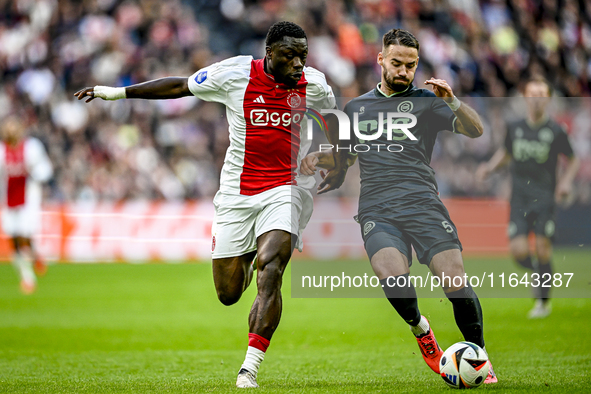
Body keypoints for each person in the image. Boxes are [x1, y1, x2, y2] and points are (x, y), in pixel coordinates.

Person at [75, 21, 336, 388]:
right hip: (236, 194)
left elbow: (334, 118)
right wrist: (117, 94)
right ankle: (251, 257)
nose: (297, 64)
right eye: (289, 56)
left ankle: (249, 368)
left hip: (285, 188)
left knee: (271, 269)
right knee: (228, 294)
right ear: (269, 53)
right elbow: (181, 85)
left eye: (302, 56)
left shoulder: (315, 84)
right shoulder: (235, 73)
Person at [302, 28, 497, 383]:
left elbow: (476, 130)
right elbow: (346, 156)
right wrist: (322, 157)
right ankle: (421, 330)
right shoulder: (356, 107)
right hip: (377, 208)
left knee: (454, 282)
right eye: (396, 63)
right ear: (380, 60)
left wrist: (452, 100)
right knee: (392, 277)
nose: (403, 71)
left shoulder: (428, 100)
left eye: (410, 65)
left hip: (423, 204)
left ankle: (480, 357)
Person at [476, 76, 579, 319]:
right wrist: (490, 168)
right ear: (525, 98)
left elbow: (572, 158)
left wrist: (565, 182)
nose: (535, 99)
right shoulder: (515, 127)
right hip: (519, 197)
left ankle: (542, 302)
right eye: (531, 94)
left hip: (544, 197)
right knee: (518, 251)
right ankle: (538, 273)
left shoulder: (555, 130)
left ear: (548, 99)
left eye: (541, 94)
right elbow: (506, 152)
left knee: (543, 249)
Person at [0, 116, 53, 294]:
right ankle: (27, 276)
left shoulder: (31, 147)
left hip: (28, 199)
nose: (10, 131)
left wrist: (36, 174)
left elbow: (45, 168)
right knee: (13, 239)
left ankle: (35, 253)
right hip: (8, 200)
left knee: (23, 235)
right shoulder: (1, 151)